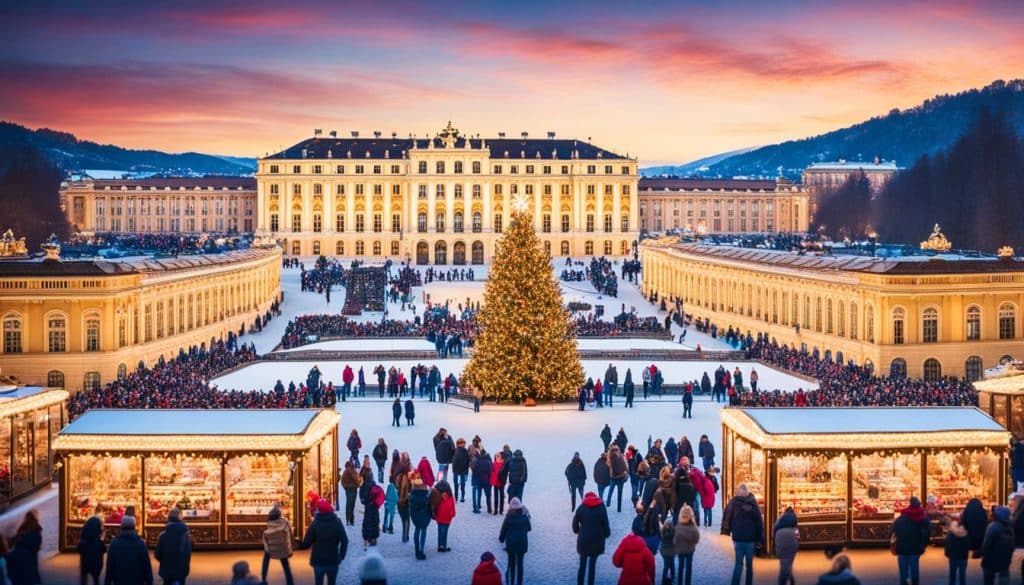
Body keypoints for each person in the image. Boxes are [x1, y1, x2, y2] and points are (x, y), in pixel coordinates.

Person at [299, 499, 349, 585]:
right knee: (332, 582)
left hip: (318, 560)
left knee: (318, 582)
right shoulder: (337, 522)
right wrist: (341, 556)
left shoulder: (315, 523)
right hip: (333, 560)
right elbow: (344, 540)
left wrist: (298, 544)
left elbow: (307, 542)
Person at [721, 484, 763, 585]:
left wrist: (727, 530)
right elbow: (759, 522)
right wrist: (759, 538)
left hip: (738, 538)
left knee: (738, 564)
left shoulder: (733, 502)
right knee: (749, 566)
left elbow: (727, 516)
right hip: (750, 539)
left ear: (738, 492)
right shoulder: (753, 503)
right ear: (747, 493)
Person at [573, 491, 611, 585]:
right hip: (597, 540)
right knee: (592, 566)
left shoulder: (581, 508)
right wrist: (606, 534)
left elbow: (574, 525)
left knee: (582, 565)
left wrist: (578, 531)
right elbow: (606, 524)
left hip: (584, 540)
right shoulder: (601, 508)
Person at [890, 496, 930, 585]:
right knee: (914, 567)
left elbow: (893, 530)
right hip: (916, 547)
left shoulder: (901, 517)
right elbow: (927, 532)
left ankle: (904, 582)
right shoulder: (923, 517)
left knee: (903, 570)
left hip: (902, 547)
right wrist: (923, 545)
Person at [102, 516, 152, 585]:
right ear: (134, 527)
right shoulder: (141, 543)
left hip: (119, 580)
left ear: (121, 526)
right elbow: (146, 565)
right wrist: (149, 581)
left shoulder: (114, 543)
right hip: (137, 580)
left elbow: (110, 566)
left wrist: (107, 581)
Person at [154, 507, 192, 585]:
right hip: (181, 570)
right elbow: (187, 554)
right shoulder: (185, 535)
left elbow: (157, 554)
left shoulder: (163, 535)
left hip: (167, 570)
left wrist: (164, 561)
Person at [499, 497, 531, 585]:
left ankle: (511, 582)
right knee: (520, 564)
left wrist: (501, 539)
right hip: (522, 544)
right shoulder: (524, 517)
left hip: (511, 544)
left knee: (511, 564)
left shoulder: (508, 517)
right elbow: (529, 528)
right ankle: (519, 583)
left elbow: (503, 530)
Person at [7, 511, 43, 585]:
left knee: (25, 576)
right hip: (27, 559)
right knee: (30, 575)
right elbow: (36, 546)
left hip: (23, 558)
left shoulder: (24, 530)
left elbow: (13, 543)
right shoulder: (34, 530)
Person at [261, 505, 295, 585]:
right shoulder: (285, 522)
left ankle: (263, 579)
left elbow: (266, 535)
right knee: (286, 565)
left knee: (265, 562)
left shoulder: (269, 522)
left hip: (270, 546)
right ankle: (290, 582)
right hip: (281, 546)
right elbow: (290, 533)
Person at [981, 505, 1014, 585]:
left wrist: (984, 556)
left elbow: (986, 544)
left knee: (988, 579)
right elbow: (1012, 545)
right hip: (1005, 559)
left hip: (991, 559)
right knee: (1004, 577)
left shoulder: (992, 527)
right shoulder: (1010, 528)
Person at [674, 505, 701, 585]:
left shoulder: (678, 526)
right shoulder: (693, 526)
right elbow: (697, 537)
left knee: (680, 567)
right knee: (689, 568)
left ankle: (679, 582)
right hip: (690, 549)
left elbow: (675, 539)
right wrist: (693, 544)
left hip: (680, 550)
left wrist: (677, 545)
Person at [77, 516, 106, 585]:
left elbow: (79, 549)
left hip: (85, 563)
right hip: (96, 564)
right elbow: (104, 549)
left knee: (84, 579)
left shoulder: (84, 540)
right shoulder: (99, 541)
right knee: (96, 579)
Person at [409, 474, 432, 560]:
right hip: (425, 516)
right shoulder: (427, 495)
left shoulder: (412, 495)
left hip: (415, 517)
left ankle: (417, 549)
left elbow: (410, 507)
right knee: (424, 531)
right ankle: (422, 550)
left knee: (417, 530)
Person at [774, 507, 799, 585]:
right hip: (792, 539)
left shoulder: (780, 519)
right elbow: (798, 536)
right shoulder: (794, 521)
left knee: (784, 562)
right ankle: (789, 580)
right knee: (789, 562)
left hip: (780, 537)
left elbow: (775, 529)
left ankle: (784, 581)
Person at [945, 518, 970, 585]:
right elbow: (969, 544)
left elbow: (948, 543)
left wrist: (947, 553)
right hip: (963, 556)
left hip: (953, 556)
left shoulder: (951, 531)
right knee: (962, 575)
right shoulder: (967, 531)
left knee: (952, 575)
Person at [472, 448, 494, 514]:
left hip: (479, 481)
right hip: (487, 481)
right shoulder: (488, 461)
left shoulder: (477, 461)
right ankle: (489, 509)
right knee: (488, 496)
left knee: (479, 494)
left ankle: (478, 507)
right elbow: (491, 470)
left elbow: (474, 470)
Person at [608, 445, 629, 513]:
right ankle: (618, 509)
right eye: (616, 450)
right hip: (619, 477)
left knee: (611, 491)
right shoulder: (618, 457)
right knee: (619, 493)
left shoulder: (611, 457)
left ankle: (608, 503)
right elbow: (624, 467)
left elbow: (623, 465)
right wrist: (625, 473)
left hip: (615, 478)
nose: (617, 451)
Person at [434, 485, 455, 553]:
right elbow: (453, 508)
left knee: (439, 531)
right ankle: (444, 546)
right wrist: (452, 515)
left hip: (439, 517)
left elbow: (435, 507)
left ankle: (439, 546)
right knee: (445, 532)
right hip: (447, 518)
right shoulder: (451, 498)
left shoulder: (438, 497)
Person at [660, 506, 677, 585]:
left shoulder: (662, 532)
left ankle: (664, 579)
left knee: (666, 566)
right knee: (672, 565)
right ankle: (673, 578)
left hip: (664, 552)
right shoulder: (674, 533)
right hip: (672, 552)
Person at [340, 460, 361, 526]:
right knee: (351, 505)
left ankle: (349, 520)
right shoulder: (351, 470)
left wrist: (345, 487)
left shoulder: (347, 470)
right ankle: (350, 520)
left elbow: (342, 481)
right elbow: (356, 479)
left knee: (349, 504)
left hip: (349, 489)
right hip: (352, 489)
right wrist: (358, 482)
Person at [452, 438, 471, 503]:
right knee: (461, 485)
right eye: (464, 443)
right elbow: (468, 461)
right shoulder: (464, 451)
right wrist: (466, 470)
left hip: (457, 470)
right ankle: (460, 497)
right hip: (461, 470)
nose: (464, 444)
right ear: (460, 443)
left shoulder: (455, 450)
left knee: (456, 484)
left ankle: (457, 497)